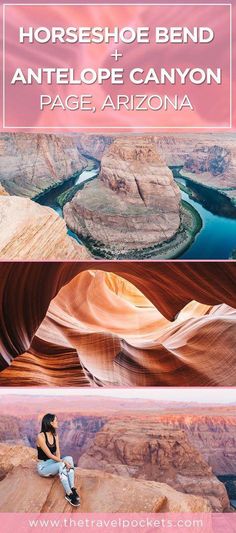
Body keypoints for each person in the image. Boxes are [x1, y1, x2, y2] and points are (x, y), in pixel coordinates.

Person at [36, 413, 80, 507]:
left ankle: (72, 488)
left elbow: (58, 453)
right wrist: (63, 462)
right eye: (56, 420)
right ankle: (68, 494)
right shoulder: (41, 436)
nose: (58, 422)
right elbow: (49, 455)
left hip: (52, 463)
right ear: (50, 423)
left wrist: (63, 461)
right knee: (63, 464)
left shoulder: (55, 435)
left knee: (69, 458)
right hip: (43, 467)